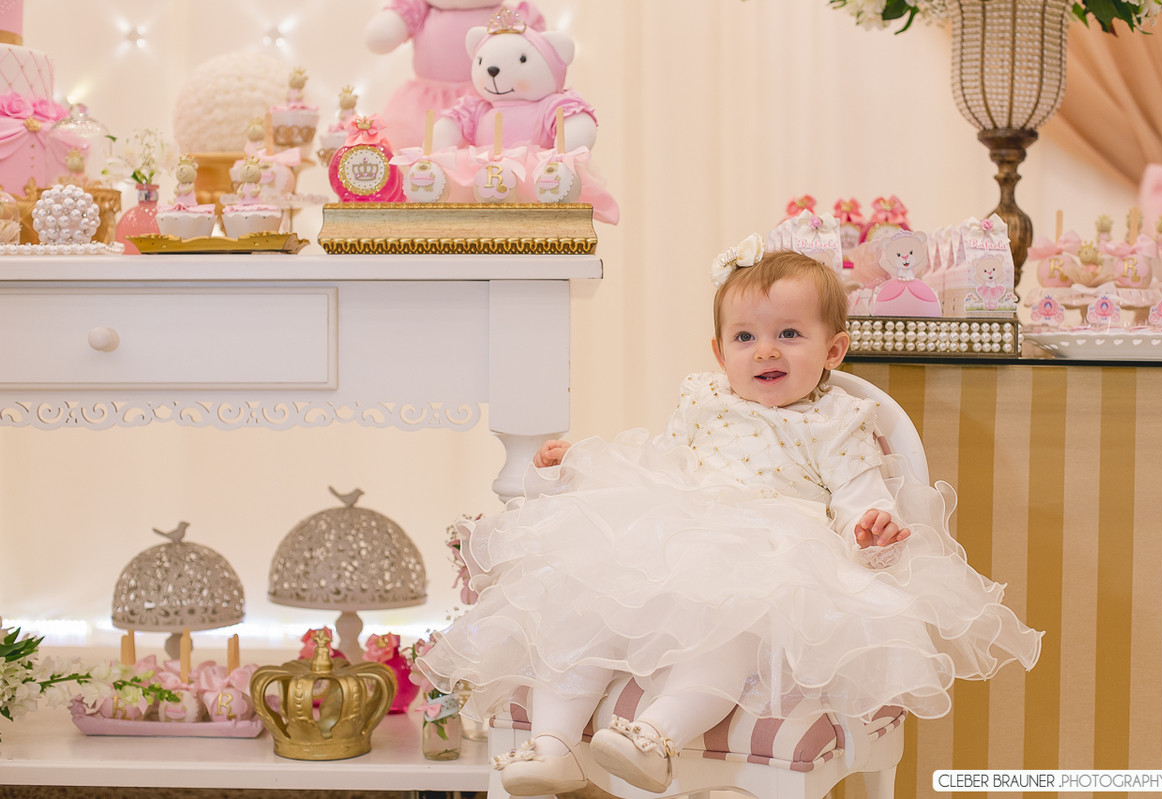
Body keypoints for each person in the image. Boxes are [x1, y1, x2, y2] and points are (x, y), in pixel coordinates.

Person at [417, 235, 1043, 796]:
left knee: (731, 632)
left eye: (790, 335)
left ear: (834, 349)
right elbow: (660, 462)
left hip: (770, 552)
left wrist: (873, 525)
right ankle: (552, 743)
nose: (765, 350)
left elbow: (859, 493)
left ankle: (656, 737)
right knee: (583, 605)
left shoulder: (838, 422)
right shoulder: (704, 403)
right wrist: (577, 466)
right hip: (677, 531)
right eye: (746, 337)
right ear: (720, 353)